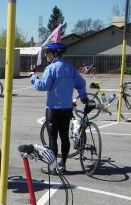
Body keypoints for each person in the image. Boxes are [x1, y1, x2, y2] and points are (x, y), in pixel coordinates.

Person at [30, 41, 87, 174]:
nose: (46, 55)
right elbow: (81, 83)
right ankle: (63, 165)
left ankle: (53, 167)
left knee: (52, 138)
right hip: (66, 108)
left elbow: (42, 86)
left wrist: (33, 77)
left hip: (53, 108)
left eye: (48, 52)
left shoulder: (51, 68)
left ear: (54, 54)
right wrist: (83, 96)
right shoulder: (70, 68)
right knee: (64, 137)